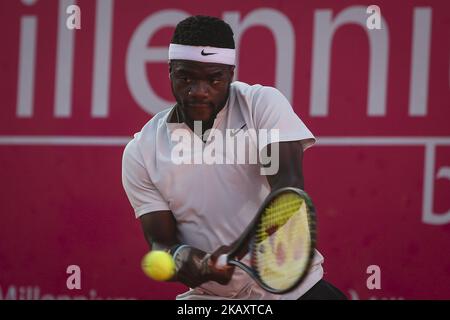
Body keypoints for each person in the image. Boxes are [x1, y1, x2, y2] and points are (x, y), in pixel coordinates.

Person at [122, 15, 347, 300]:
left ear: (231, 73)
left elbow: (287, 191)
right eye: (185, 77)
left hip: (293, 290)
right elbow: (161, 244)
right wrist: (181, 259)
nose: (198, 92)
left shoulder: (260, 105)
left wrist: (236, 251)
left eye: (213, 78)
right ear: (170, 72)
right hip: (212, 298)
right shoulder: (142, 151)